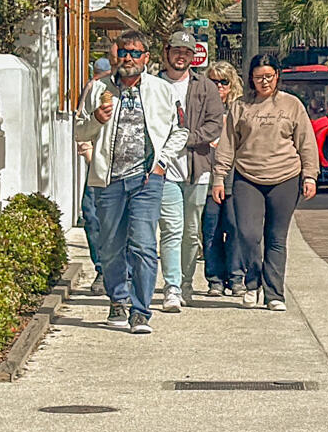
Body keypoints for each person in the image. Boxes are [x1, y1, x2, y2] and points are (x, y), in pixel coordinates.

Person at [76, 31, 186, 334]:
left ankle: (140, 311)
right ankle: (118, 300)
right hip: (108, 179)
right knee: (111, 245)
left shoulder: (162, 90)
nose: (129, 58)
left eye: (135, 53)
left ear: (146, 57)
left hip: (146, 179)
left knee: (144, 244)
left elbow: (180, 130)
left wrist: (162, 162)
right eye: (124, 52)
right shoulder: (99, 89)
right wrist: (97, 119)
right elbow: (79, 132)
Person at [212, 54, 318, 311]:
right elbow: (227, 144)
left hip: (285, 177)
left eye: (269, 76)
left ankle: (274, 294)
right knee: (248, 234)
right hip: (247, 177)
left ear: (277, 76)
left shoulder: (292, 104)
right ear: (251, 78)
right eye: (259, 77)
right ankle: (252, 282)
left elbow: (306, 142)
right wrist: (219, 177)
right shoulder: (240, 106)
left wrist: (310, 175)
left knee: (276, 237)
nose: (264, 82)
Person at [156, 30, 225, 314]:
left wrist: (187, 138)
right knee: (171, 229)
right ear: (167, 52)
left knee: (191, 232)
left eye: (186, 52)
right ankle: (171, 288)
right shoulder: (153, 84)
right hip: (164, 170)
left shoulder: (205, 87)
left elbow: (215, 124)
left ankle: (186, 283)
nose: (181, 56)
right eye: (177, 51)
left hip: (198, 168)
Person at [202, 62, 246, 298]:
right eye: (213, 81)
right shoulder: (200, 107)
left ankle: (237, 277)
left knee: (235, 228)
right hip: (207, 176)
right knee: (211, 230)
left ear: (232, 85)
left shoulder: (240, 108)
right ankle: (215, 279)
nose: (219, 86)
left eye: (224, 82)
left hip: (235, 176)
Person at [78, 56, 113, 285]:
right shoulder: (94, 89)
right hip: (98, 168)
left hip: (127, 170)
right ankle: (102, 269)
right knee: (92, 216)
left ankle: (124, 273)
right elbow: (82, 124)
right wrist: (92, 159)